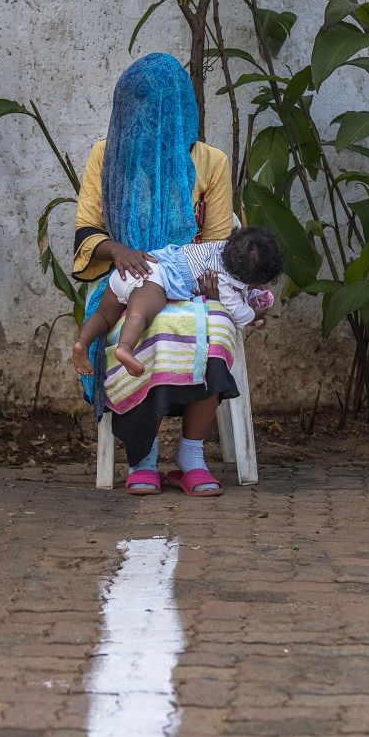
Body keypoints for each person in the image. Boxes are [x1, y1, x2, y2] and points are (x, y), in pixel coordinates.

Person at [73, 52, 244, 497]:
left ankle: (191, 455)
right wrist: (119, 250)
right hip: (125, 285)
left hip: (189, 282)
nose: (150, 116)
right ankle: (143, 459)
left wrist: (208, 280)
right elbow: (86, 230)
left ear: (182, 107)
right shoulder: (104, 155)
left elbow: (218, 241)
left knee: (215, 328)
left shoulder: (210, 161)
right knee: (137, 334)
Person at [72, 226, 282, 378]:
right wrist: (256, 312)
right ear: (245, 278)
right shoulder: (225, 281)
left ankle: (82, 342)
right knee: (139, 315)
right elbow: (239, 314)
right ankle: (125, 348)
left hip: (132, 266)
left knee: (102, 317)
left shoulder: (222, 248)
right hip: (153, 277)